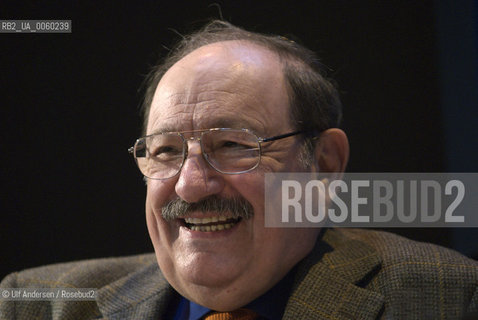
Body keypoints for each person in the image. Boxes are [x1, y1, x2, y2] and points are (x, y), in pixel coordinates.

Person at [1, 20, 477, 320]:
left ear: (325, 165)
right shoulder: (35, 304)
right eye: (165, 151)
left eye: (231, 145)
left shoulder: (447, 298)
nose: (190, 184)